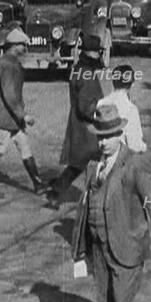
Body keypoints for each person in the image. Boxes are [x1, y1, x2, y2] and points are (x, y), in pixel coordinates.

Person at [71, 104, 151, 302]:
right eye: (100, 137)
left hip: (127, 246)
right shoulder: (93, 165)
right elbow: (85, 206)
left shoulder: (135, 164)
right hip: (100, 247)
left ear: (120, 134)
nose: (103, 142)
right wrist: (80, 248)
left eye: (108, 137)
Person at [0, 28, 44, 198]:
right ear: (13, 46)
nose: (25, 47)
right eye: (22, 44)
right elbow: (10, 94)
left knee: (25, 148)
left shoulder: (8, 61)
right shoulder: (9, 64)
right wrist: (23, 115)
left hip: (12, 117)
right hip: (6, 116)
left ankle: (38, 184)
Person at [48, 34, 105, 207]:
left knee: (79, 163)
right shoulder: (86, 74)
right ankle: (100, 199)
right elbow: (86, 105)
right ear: (92, 54)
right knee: (101, 159)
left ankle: (56, 190)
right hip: (87, 127)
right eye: (98, 53)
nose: (100, 56)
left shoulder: (79, 68)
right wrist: (101, 115)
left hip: (79, 124)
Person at [98, 64, 147, 153]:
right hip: (121, 159)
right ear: (132, 84)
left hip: (103, 156)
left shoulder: (101, 103)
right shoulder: (130, 109)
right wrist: (144, 148)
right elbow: (134, 144)